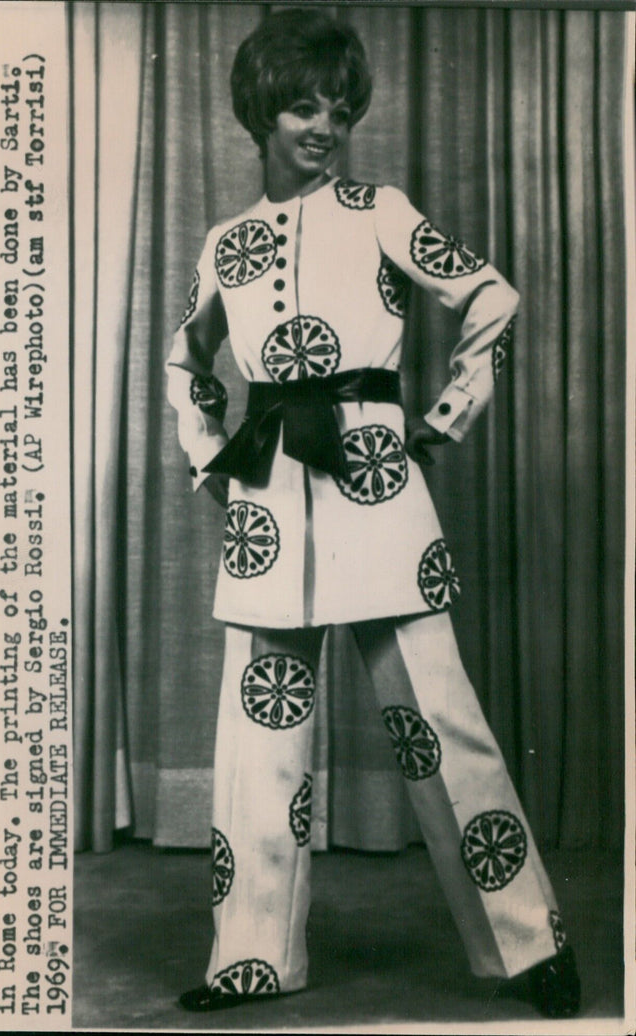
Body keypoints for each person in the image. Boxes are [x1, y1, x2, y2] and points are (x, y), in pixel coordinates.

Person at [165, 7, 581, 1019]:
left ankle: (529, 946)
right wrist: (212, 461)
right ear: (260, 111)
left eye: (338, 109)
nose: (323, 126)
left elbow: (491, 297)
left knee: (438, 724)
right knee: (260, 740)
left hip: (374, 490)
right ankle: (250, 959)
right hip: (270, 505)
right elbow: (186, 363)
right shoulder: (223, 244)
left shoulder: (380, 208)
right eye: (302, 105)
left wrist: (437, 421)